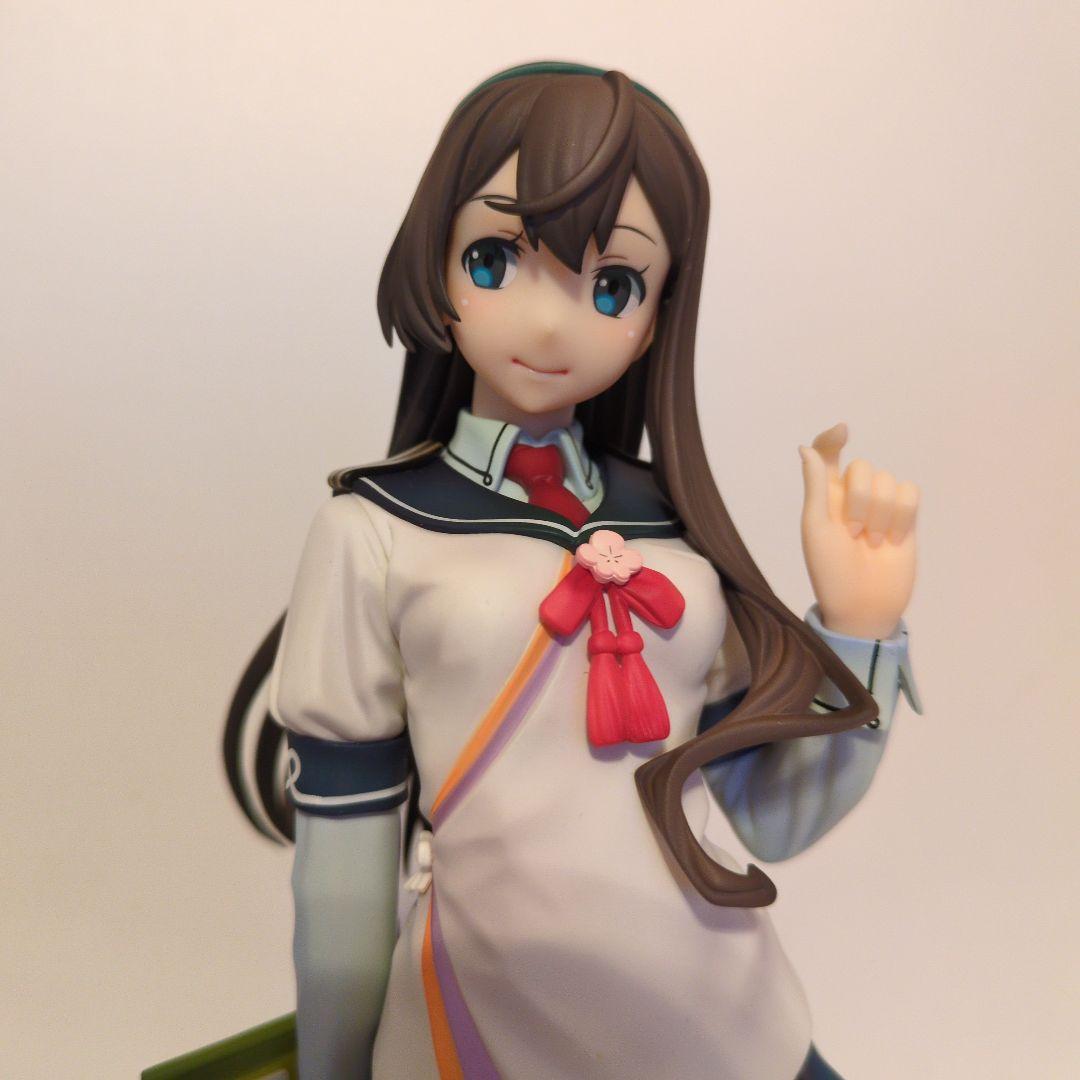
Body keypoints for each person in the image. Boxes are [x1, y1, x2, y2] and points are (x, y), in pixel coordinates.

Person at [224, 62, 922, 1080]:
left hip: (714, 1006)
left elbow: (769, 816)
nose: (552, 324)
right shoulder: (374, 531)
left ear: (657, 314)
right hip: (496, 1005)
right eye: (496, 258)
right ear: (435, 261)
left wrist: (859, 629)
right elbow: (345, 869)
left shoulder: (673, 524)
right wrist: (338, 1067)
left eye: (611, 285)